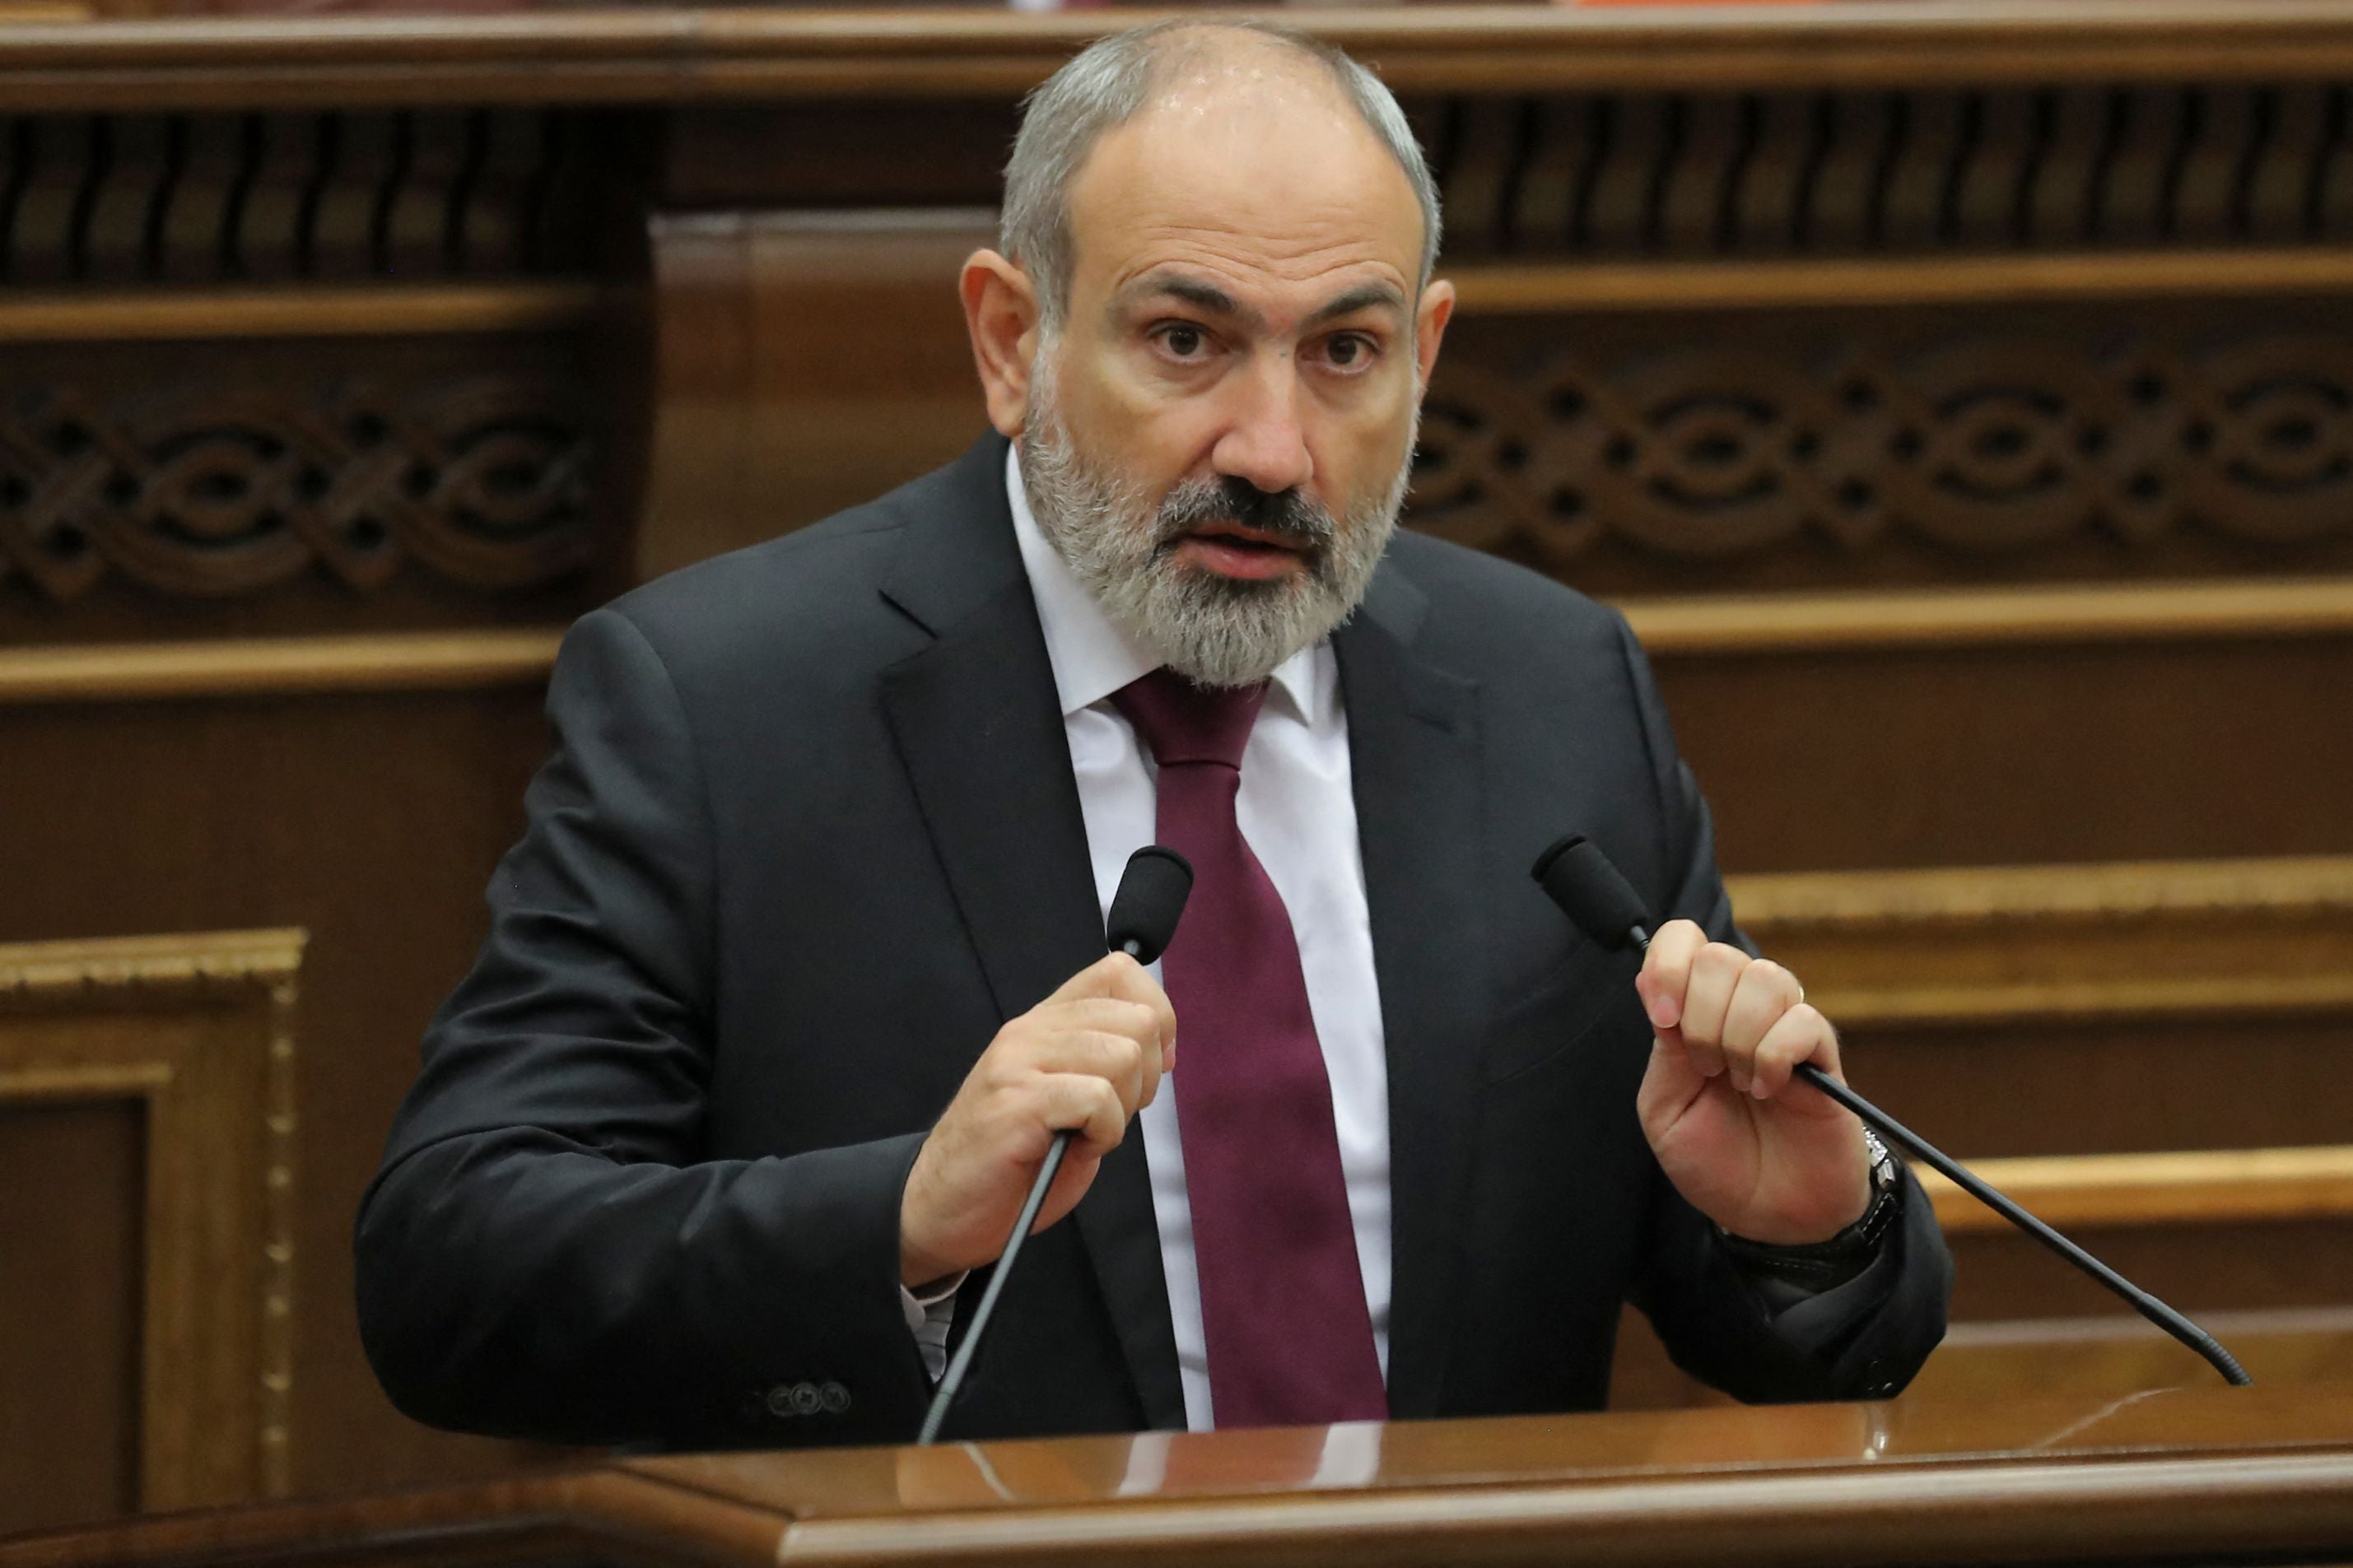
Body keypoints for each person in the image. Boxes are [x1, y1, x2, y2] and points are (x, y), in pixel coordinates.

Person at [356, 19, 1950, 1451]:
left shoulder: (1547, 687)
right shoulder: (727, 700)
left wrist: (1800, 1228)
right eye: (1185, 340)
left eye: (1345, 351)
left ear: (1427, 352)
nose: (1271, 447)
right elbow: (456, 1270)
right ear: (1009, 339)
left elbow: (1816, 1340)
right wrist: (900, 1216)